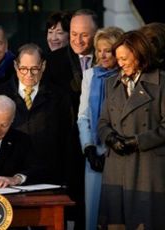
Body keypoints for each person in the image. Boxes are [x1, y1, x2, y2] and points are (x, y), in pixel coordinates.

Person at [98, 30, 165, 229]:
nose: (120, 63)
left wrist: (138, 141)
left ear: (139, 54)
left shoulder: (161, 82)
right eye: (117, 58)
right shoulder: (111, 83)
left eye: (124, 58)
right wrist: (110, 138)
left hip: (147, 168)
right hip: (116, 168)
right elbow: (102, 121)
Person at [43, 9, 99, 229]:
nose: (77, 40)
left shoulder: (107, 57)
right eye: (74, 34)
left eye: (84, 35)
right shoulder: (53, 61)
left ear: (96, 34)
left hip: (99, 141)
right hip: (66, 144)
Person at [0, 43, 73, 186]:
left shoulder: (59, 96)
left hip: (49, 175)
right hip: (7, 176)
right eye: (23, 69)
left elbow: (66, 138)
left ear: (43, 66)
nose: (29, 75)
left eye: (34, 69)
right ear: (16, 66)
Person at [77, 26, 124, 230]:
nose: (102, 55)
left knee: (118, 213)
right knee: (92, 212)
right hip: (94, 151)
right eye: (99, 50)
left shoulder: (126, 75)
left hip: (119, 152)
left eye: (108, 50)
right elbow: (83, 115)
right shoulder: (89, 75)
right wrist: (88, 147)